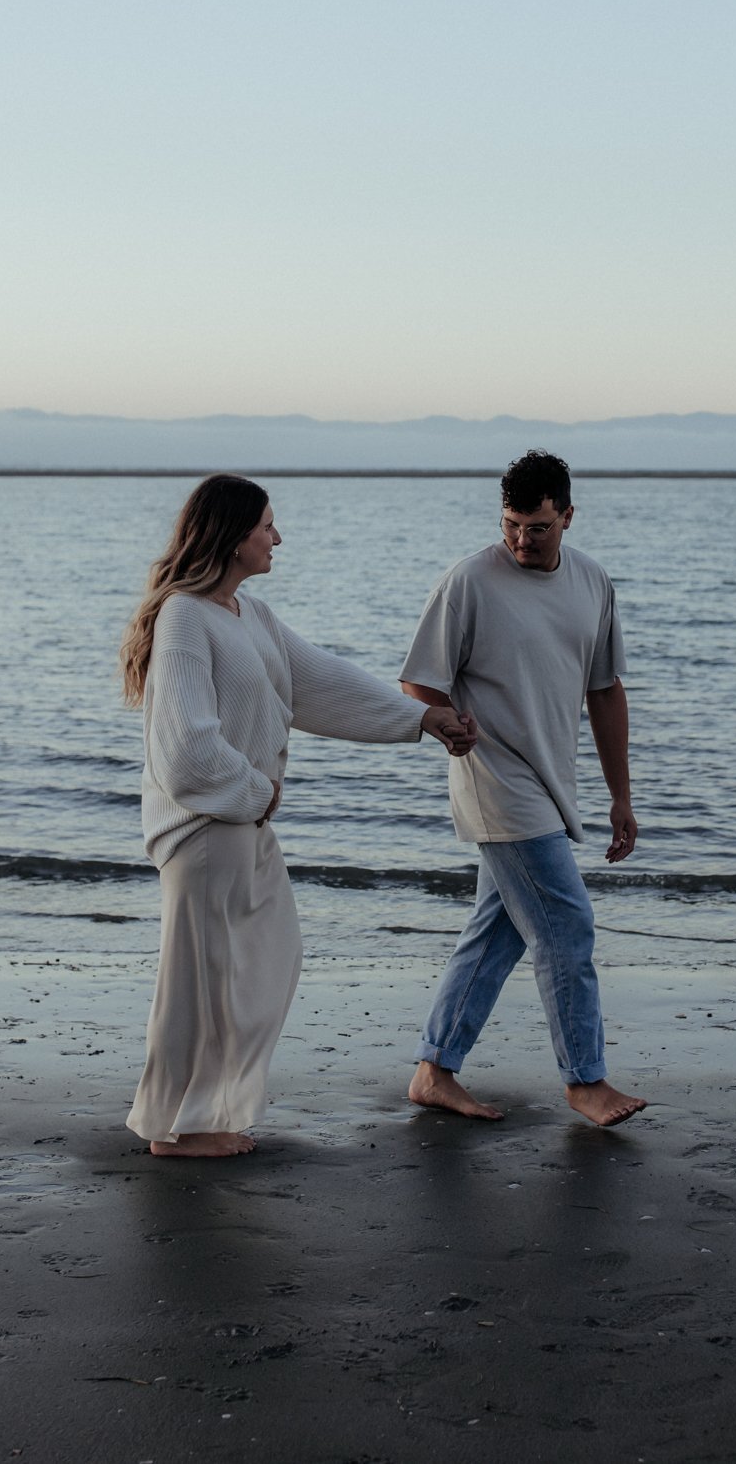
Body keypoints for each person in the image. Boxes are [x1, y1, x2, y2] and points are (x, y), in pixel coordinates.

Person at [119, 473, 476, 1158]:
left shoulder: (247, 615)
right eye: (266, 526)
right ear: (231, 536)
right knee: (203, 985)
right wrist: (256, 789)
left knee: (261, 966)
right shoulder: (185, 617)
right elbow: (184, 747)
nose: (277, 537)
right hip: (205, 829)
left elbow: (322, 682)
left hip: (241, 827)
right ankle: (182, 1127)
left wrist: (423, 718)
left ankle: (207, 1112)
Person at [400, 449, 647, 1127]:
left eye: (537, 527)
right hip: (496, 781)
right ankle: (585, 1081)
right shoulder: (469, 581)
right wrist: (446, 723)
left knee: (498, 933)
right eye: (510, 524)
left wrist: (620, 795)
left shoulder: (593, 582)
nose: (520, 540)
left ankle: (434, 1068)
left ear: (567, 515)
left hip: (550, 783)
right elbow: (419, 680)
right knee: (567, 925)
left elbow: (605, 691)